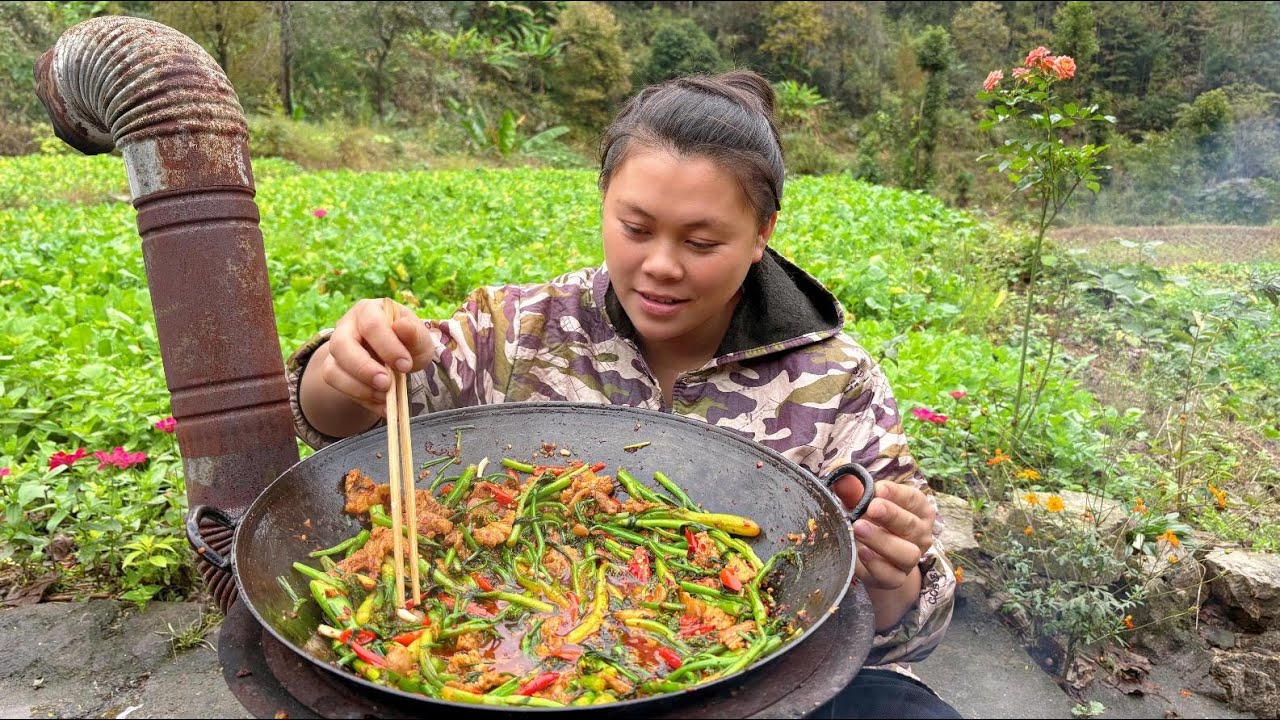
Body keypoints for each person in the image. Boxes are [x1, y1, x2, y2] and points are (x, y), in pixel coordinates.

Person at [287, 70, 959, 719]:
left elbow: (904, 630)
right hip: (495, 652)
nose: (661, 265)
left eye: (701, 241)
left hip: (744, 690)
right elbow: (351, 423)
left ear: (762, 234)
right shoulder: (519, 330)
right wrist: (343, 369)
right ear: (604, 201)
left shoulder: (834, 381)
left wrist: (886, 576)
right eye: (635, 229)